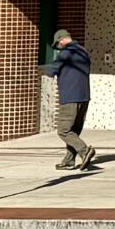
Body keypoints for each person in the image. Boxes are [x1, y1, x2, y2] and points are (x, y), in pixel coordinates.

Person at [41, 26, 98, 170]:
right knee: (74, 130)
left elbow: (51, 71)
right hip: (84, 97)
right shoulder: (83, 52)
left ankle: (85, 151)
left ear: (61, 41)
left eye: (58, 46)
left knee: (64, 130)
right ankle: (69, 161)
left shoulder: (66, 53)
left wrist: (45, 70)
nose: (58, 48)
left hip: (70, 97)